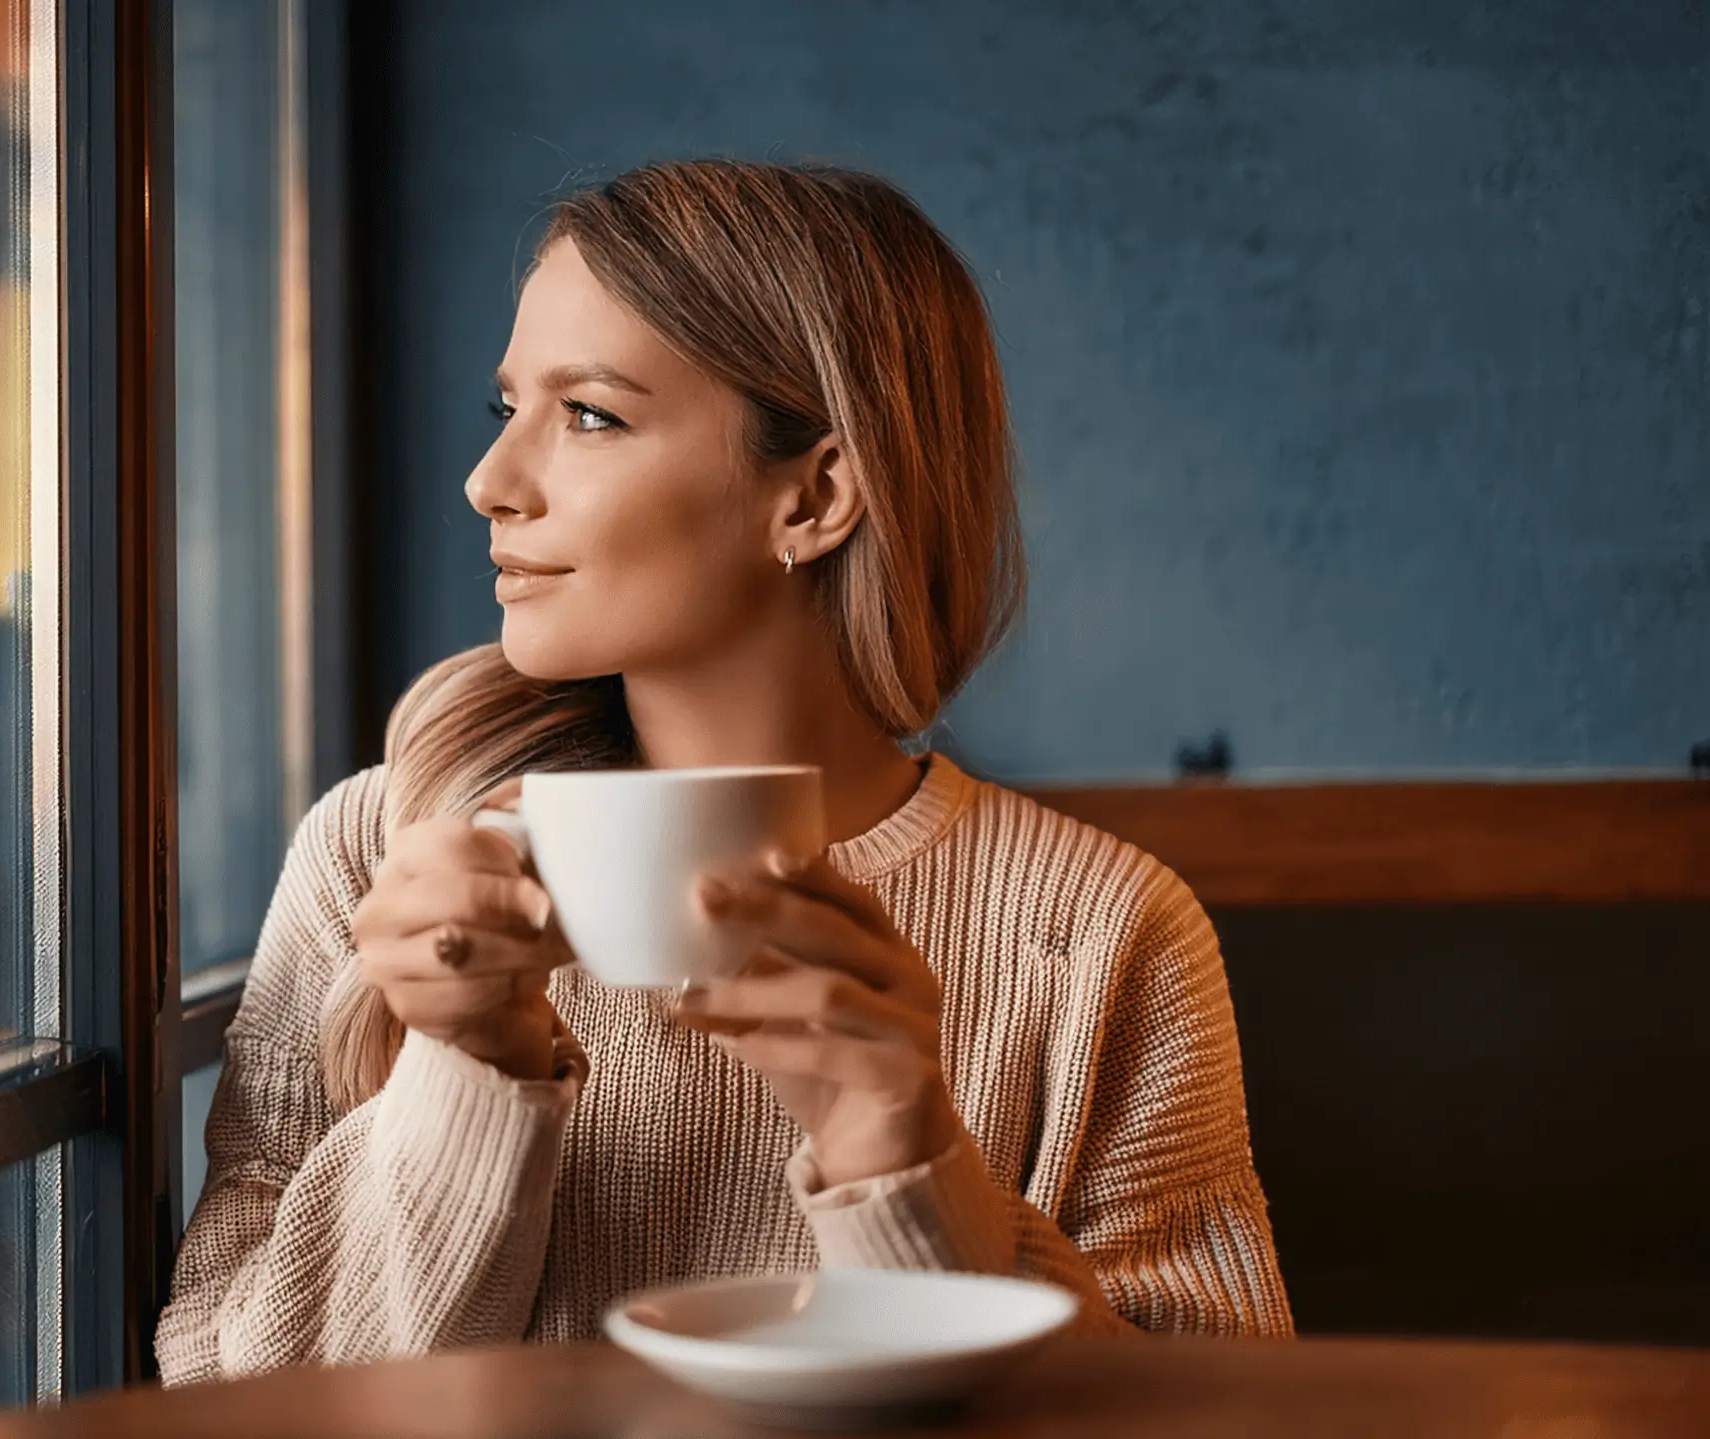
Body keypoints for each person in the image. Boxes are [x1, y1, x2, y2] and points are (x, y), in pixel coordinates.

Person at [156, 159, 1292, 1383]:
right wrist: (468, 1077)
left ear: (815, 494)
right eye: (506, 409)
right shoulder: (381, 853)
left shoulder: (1104, 931)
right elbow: (238, 1397)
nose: (491, 483)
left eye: (588, 414)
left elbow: (1211, 1410)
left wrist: (903, 1164)